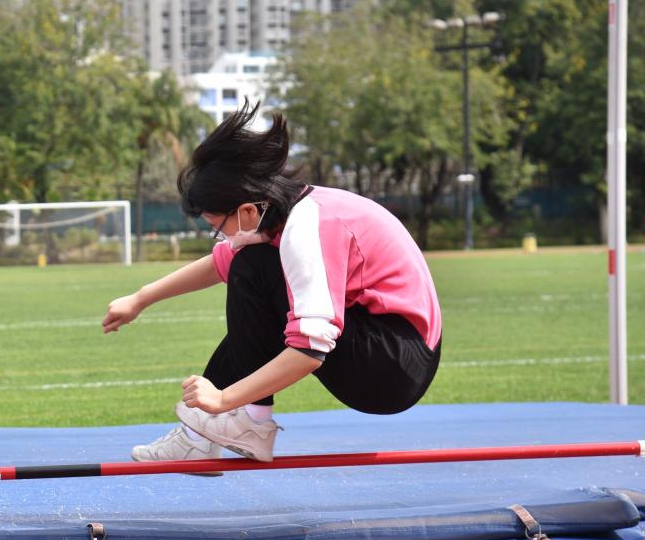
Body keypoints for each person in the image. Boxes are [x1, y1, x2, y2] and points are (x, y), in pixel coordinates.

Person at [103, 102, 442, 464]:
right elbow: (219, 264)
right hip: (395, 351)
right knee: (251, 273)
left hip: (394, 367)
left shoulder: (307, 228)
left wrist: (225, 399)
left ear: (248, 210)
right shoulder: (283, 213)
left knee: (252, 268)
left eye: (216, 227)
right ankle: (199, 436)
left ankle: (251, 422)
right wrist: (141, 298)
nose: (221, 237)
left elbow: (309, 351)